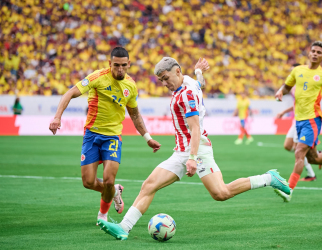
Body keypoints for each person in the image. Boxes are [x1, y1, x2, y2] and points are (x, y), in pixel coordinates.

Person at [97, 57, 291, 240]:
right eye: (161, 80)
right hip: (181, 151)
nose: (164, 84)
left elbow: (195, 128)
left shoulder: (186, 95)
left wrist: (192, 157)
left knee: (221, 193)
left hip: (197, 149)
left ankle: (269, 178)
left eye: (166, 78)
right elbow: (200, 84)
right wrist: (199, 72)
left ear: (177, 71)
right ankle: (124, 228)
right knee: (149, 185)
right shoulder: (188, 81)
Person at [49, 47, 161, 224]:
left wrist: (148, 138)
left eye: (124, 65)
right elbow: (70, 93)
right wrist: (57, 117)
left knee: (108, 180)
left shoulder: (130, 86)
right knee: (88, 182)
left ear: (129, 64)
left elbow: (135, 114)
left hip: (113, 137)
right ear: (110, 63)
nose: (120, 69)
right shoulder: (97, 77)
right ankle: (115, 191)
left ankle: (102, 215)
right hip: (92, 135)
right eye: (116, 65)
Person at [274, 41, 322, 202]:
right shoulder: (298, 70)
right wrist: (281, 91)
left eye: (319, 52)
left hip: (313, 119)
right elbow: (288, 86)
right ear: (309, 53)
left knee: (299, 152)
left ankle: (288, 190)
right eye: (313, 51)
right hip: (298, 120)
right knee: (313, 158)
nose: (315, 54)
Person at [277, 63, 317, 181]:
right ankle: (314, 153)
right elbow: (296, 104)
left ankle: (311, 174)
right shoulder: (293, 86)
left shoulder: (303, 86)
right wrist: (284, 112)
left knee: (296, 148)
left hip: (302, 120)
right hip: (296, 119)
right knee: (287, 146)